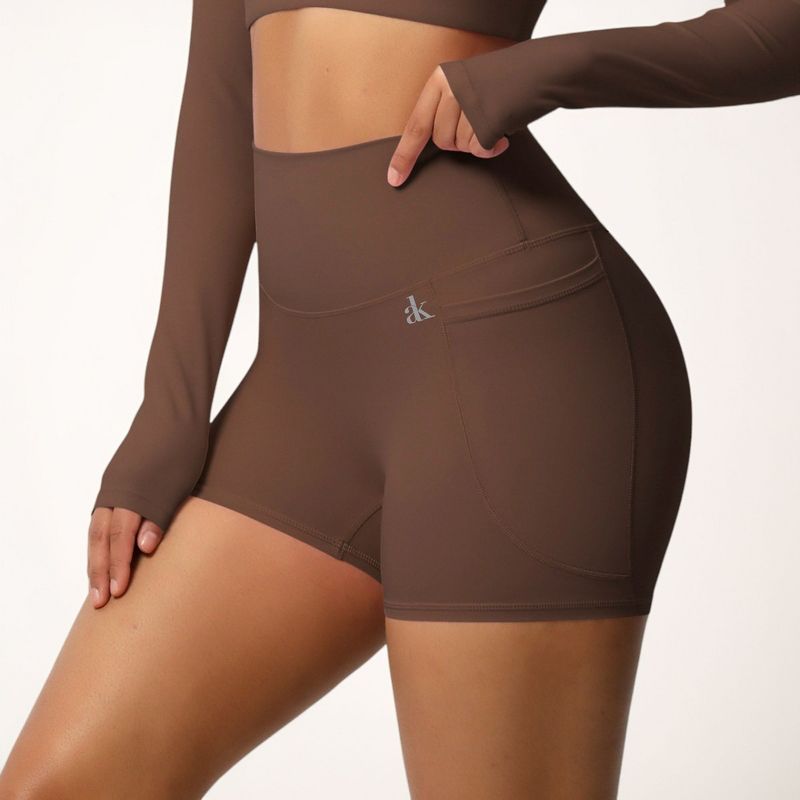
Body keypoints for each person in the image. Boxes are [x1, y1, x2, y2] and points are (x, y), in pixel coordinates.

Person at [2, 1, 798, 797]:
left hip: (508, 360)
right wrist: (169, 409)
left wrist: (543, 71)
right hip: (301, 392)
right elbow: (223, 89)